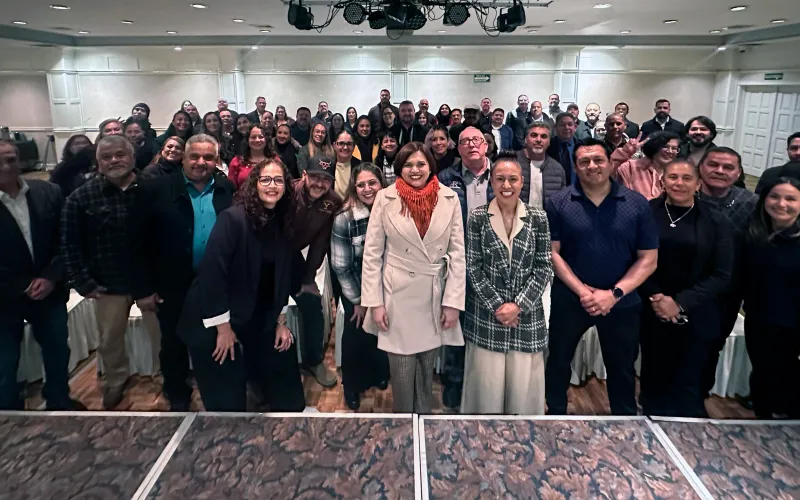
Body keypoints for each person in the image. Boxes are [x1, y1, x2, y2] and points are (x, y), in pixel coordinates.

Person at [178, 157, 305, 412]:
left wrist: (281, 322)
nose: (272, 185)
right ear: (254, 184)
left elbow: (282, 276)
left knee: (284, 364)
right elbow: (212, 275)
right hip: (213, 316)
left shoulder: (282, 220)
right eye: (265, 179)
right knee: (228, 404)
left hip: (254, 310)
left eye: (278, 180)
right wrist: (223, 329)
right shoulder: (233, 219)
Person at [545, 138, 659, 415]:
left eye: (598, 160)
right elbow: (552, 253)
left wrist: (614, 294)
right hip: (571, 298)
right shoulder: (558, 202)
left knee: (622, 367)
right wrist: (583, 292)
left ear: (610, 164)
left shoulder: (637, 203)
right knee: (558, 360)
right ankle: (554, 415)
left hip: (622, 301)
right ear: (575, 167)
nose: (592, 166)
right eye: (584, 161)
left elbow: (648, 259)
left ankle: (624, 419)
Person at [361, 142, 466, 413]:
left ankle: (423, 419)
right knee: (401, 371)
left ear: (431, 166)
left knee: (426, 368)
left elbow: (457, 254)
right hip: (396, 295)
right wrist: (375, 303)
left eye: (421, 164)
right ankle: (403, 423)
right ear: (399, 168)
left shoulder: (449, 198)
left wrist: (453, 302)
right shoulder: (385, 198)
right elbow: (372, 255)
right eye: (408, 165)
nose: (415, 170)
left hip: (434, 294)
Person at [133, 134, 235, 411]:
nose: (201, 162)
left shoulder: (226, 189)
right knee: (173, 342)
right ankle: (177, 392)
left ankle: (216, 389)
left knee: (216, 337)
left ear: (216, 161)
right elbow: (136, 242)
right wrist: (143, 289)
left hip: (215, 283)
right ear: (183, 158)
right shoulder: (155, 189)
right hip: (172, 283)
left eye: (208, 157)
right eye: (195, 156)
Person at [61, 135, 162, 409]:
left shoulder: (154, 189)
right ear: (98, 162)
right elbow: (69, 244)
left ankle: (164, 376)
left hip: (152, 281)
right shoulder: (81, 197)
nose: (114, 160)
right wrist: (83, 281)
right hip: (107, 282)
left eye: (120, 154)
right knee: (109, 339)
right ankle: (116, 379)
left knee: (161, 336)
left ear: (132, 156)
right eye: (106, 157)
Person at [638, 160, 733, 417]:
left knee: (688, 382)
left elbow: (722, 273)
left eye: (686, 178)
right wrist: (657, 297)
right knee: (653, 375)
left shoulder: (716, 220)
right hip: (652, 306)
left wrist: (679, 303)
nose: (679, 183)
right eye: (673, 177)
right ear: (663, 181)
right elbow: (634, 258)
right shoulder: (646, 212)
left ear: (698, 183)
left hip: (697, 309)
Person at [461, 152, 552, 415]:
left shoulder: (538, 217)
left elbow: (544, 266)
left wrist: (518, 306)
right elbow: (473, 267)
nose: (506, 185)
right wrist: (499, 307)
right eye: (500, 179)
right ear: (491, 182)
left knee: (522, 391)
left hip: (526, 314)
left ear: (522, 182)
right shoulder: (478, 216)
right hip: (488, 315)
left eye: (513, 179)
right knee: (486, 389)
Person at [0, 141, 80, 410]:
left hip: (49, 290)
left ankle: (59, 402)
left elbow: (66, 239)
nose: (6, 166)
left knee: (57, 352)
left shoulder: (48, 191)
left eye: (11, 159)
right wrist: (22, 285)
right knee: (4, 363)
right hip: (4, 298)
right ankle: (9, 418)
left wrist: (51, 276)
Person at [696, 147, 758, 397]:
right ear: (701, 167)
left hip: (727, 292)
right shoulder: (682, 196)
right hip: (681, 288)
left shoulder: (752, 203)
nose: (719, 171)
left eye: (728, 167)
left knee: (713, 345)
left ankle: (699, 397)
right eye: (713, 165)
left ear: (739, 173)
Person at [436, 126, 491, 408]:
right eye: (465, 141)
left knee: (488, 323)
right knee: (455, 322)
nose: (471, 145)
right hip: (458, 259)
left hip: (493, 262)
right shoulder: (446, 178)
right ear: (457, 149)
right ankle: (454, 380)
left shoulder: (502, 175)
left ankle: (484, 383)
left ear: (486, 145)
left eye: (476, 140)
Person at [330, 163, 390, 410]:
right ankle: (352, 385)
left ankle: (378, 373)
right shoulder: (345, 218)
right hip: (355, 288)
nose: (367, 189)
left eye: (372, 183)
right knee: (356, 335)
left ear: (381, 183)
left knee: (381, 332)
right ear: (354, 189)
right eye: (361, 185)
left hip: (385, 286)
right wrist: (358, 301)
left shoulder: (391, 210)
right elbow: (341, 266)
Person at [742, 177, 800, 419]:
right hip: (759, 321)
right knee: (762, 378)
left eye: (791, 199)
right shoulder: (753, 235)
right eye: (774, 196)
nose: (781, 204)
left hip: (793, 327)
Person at [288, 156, 343, 388]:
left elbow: (320, 242)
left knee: (313, 305)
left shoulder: (333, 202)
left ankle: (314, 360)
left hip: (293, 258)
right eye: (315, 177)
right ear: (304, 175)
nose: (319, 183)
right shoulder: (287, 191)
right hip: (266, 257)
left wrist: (309, 278)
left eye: (325, 179)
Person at [50, 119, 122, 198]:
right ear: (102, 134)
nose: (113, 132)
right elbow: (61, 174)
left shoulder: (131, 147)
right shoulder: (89, 151)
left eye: (117, 129)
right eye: (108, 130)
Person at [613, 131, 680, 200]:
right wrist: (624, 153)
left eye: (674, 148)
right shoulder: (630, 167)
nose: (670, 151)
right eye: (665, 147)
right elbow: (609, 173)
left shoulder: (678, 173)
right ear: (654, 147)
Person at [515, 122, 567, 209]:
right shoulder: (511, 162)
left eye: (543, 136)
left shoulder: (558, 169)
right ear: (525, 139)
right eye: (534, 135)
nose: (538, 140)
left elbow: (562, 203)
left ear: (549, 142)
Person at [228, 125, 270, 190]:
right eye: (253, 137)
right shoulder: (236, 161)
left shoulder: (274, 160)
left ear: (266, 139)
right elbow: (230, 189)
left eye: (261, 137)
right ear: (248, 140)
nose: (257, 140)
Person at [546, 113, 582, 183]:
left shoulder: (582, 146)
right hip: (555, 186)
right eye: (562, 125)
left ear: (575, 127)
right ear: (555, 128)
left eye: (570, 124)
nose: (566, 127)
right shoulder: (548, 146)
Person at [332, 129, 362, 199]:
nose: (345, 147)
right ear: (334, 146)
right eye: (341, 143)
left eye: (349, 144)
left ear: (354, 147)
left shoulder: (360, 167)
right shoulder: (328, 165)